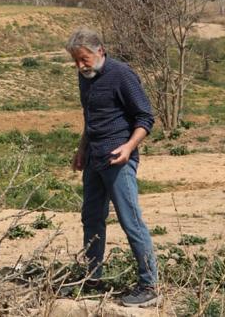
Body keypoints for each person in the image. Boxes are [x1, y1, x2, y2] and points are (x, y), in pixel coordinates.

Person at [66, 27, 159, 308]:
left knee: (130, 220)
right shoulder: (86, 78)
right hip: (94, 158)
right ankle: (92, 279)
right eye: (76, 61)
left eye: (84, 59)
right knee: (91, 218)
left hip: (118, 160)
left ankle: (149, 285)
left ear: (100, 52)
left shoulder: (122, 75)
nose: (80, 66)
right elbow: (90, 118)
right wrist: (82, 149)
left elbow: (145, 118)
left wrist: (129, 147)